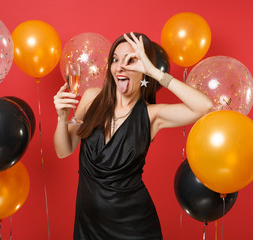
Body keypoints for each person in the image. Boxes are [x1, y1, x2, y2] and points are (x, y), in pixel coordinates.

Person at [53, 32, 213, 240]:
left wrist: (154, 72)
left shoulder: (151, 115)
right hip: (88, 224)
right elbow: (63, 151)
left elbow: (205, 107)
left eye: (131, 60)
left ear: (144, 67)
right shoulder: (92, 98)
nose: (120, 66)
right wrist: (62, 117)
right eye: (116, 59)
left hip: (134, 227)